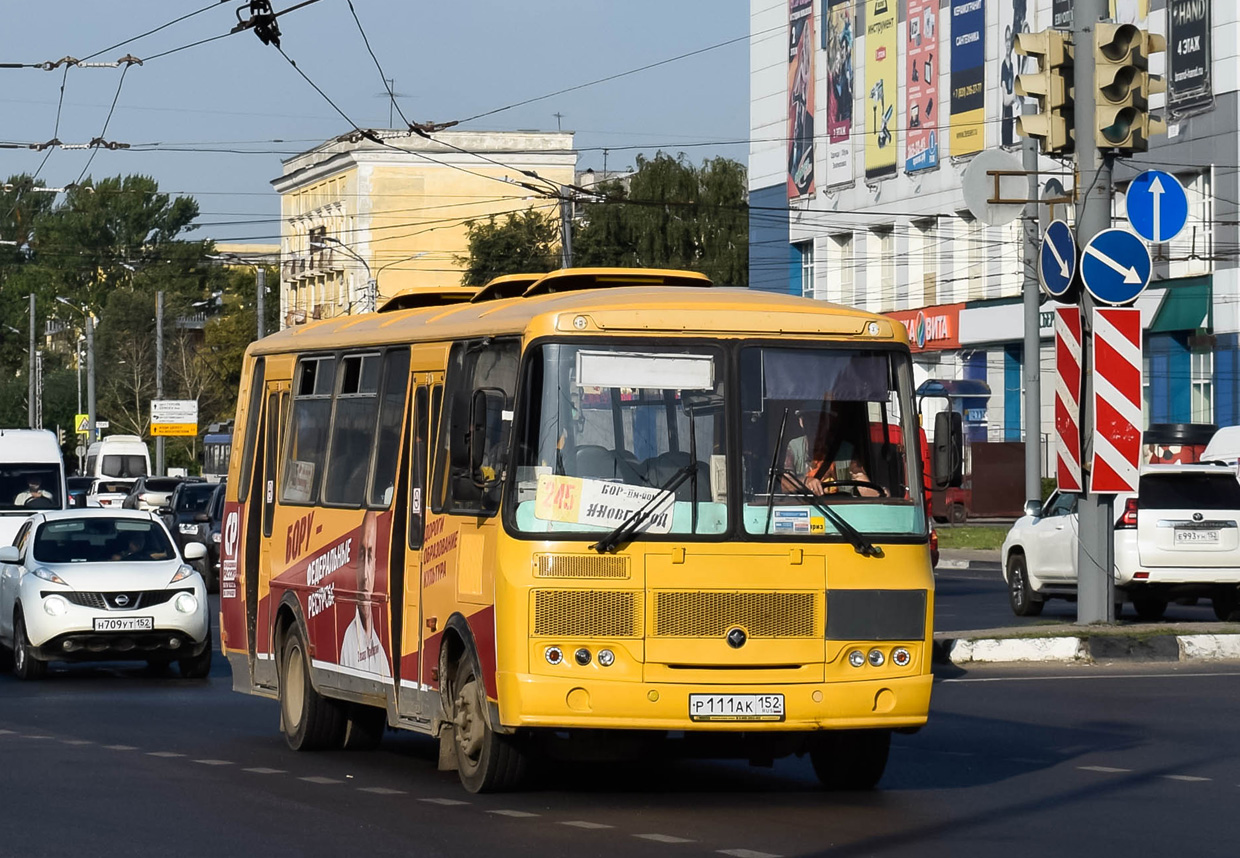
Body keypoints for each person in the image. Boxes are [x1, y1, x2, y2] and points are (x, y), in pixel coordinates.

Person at [340, 510, 391, 676]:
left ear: (375, 567)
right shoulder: (349, 640)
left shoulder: (380, 652)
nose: (364, 576)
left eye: (369, 556)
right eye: (361, 556)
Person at [798, 402, 878, 498]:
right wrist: (805, 481)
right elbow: (783, 481)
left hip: (841, 509)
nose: (817, 424)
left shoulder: (846, 451)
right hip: (808, 508)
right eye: (811, 419)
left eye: (822, 419)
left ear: (829, 423)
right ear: (801, 422)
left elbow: (860, 478)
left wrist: (880, 494)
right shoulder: (794, 447)